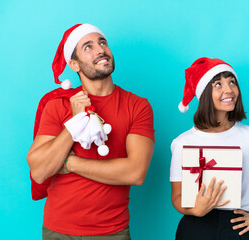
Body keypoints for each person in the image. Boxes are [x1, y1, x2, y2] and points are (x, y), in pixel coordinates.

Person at [27, 24, 155, 239]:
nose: (100, 50)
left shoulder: (137, 106)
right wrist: (74, 123)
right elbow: (39, 172)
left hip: (112, 232)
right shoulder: (58, 105)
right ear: (74, 64)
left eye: (102, 43)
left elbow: (135, 172)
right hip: (58, 230)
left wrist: (70, 163)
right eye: (88, 47)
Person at [170, 57, 249, 239]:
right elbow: (176, 197)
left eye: (232, 82)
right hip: (195, 227)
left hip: (237, 228)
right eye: (218, 84)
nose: (229, 90)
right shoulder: (182, 142)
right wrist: (196, 210)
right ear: (204, 93)